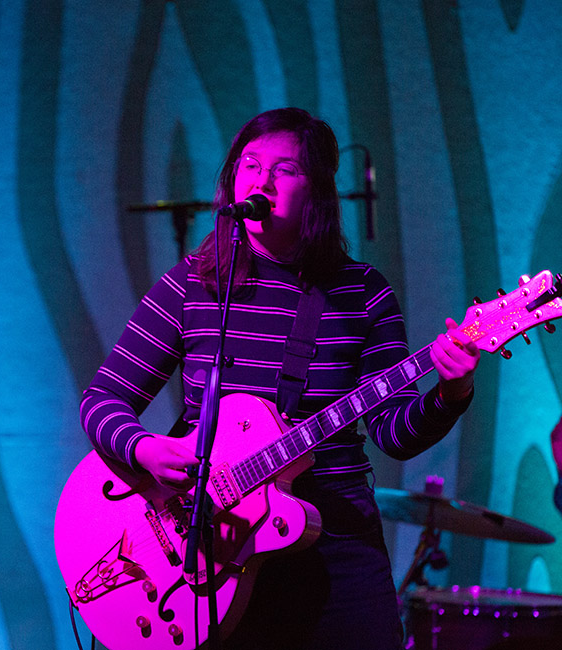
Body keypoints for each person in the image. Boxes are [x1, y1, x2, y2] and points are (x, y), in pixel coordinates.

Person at [79, 107, 480, 649]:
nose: (260, 181)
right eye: (249, 164)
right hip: (210, 544)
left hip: (334, 537)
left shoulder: (362, 293)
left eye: (284, 169)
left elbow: (393, 434)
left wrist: (452, 391)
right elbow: (103, 400)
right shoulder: (191, 287)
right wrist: (145, 449)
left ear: (316, 190)